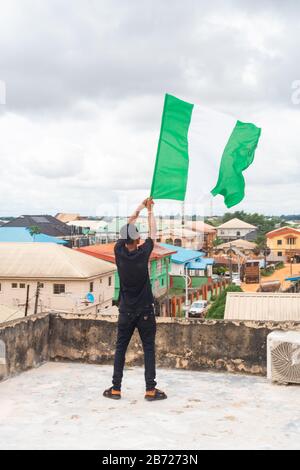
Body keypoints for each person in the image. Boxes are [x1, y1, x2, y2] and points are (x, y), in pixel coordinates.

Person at [103, 197, 167, 401]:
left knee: (120, 349)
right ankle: (150, 390)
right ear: (138, 240)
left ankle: (115, 389)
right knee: (148, 349)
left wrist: (139, 208)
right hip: (145, 311)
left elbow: (127, 227)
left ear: (124, 239)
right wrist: (149, 211)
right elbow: (154, 233)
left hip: (125, 311)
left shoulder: (118, 251)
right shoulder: (143, 252)